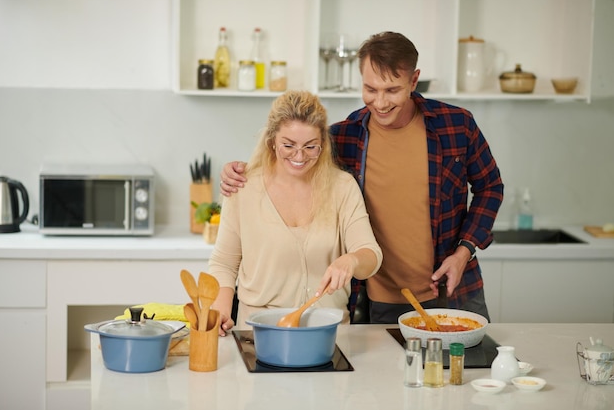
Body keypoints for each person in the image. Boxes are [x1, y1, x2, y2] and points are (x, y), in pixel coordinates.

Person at [220, 31, 503, 324]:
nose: (380, 103)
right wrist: (242, 171)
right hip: (375, 296)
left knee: (470, 369)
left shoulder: (456, 126)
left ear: (414, 80)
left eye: (392, 90)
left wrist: (463, 252)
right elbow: (296, 159)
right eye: (370, 89)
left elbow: (490, 187)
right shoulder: (345, 136)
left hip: (451, 286)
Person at [209, 90, 382, 336]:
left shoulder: (342, 187)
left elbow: (371, 255)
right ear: (272, 141)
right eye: (288, 145)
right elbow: (224, 263)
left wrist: (352, 260)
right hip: (257, 332)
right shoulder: (243, 187)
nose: (299, 156)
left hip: (329, 333)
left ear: (323, 143)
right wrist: (221, 307)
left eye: (310, 147)